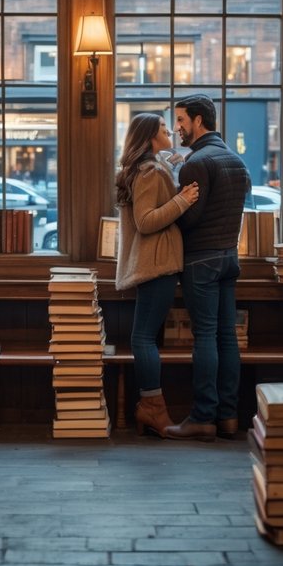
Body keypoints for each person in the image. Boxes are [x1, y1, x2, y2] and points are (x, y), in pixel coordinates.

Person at [166, 94, 250, 441]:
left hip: (200, 260)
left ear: (199, 120)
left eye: (182, 120)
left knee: (204, 338)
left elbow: (190, 218)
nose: (177, 128)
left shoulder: (196, 162)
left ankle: (202, 417)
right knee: (226, 337)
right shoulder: (235, 160)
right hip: (229, 257)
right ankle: (229, 418)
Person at [114, 113, 199, 438]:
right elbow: (147, 220)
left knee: (143, 336)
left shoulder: (149, 166)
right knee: (144, 338)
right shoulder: (149, 171)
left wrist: (172, 168)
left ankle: (150, 405)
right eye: (164, 129)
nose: (170, 132)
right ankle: (152, 407)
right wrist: (182, 199)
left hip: (153, 263)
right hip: (156, 263)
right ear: (151, 136)